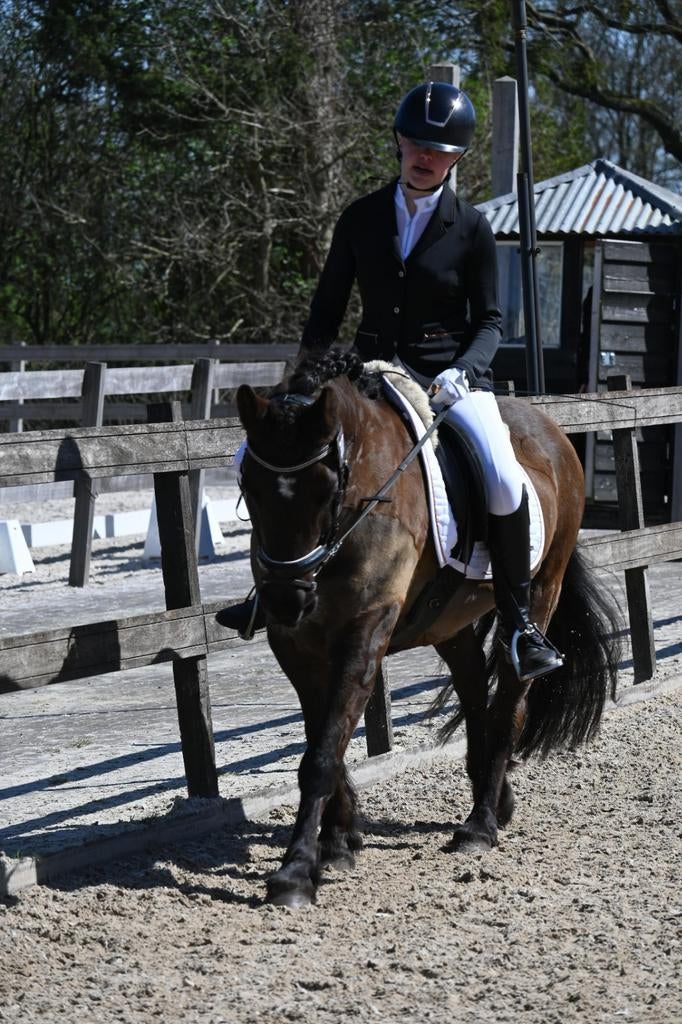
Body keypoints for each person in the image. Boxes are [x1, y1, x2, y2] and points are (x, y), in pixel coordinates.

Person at [227, 81, 562, 682]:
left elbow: (489, 320)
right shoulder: (360, 218)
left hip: (447, 380)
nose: (423, 157)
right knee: (255, 456)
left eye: (436, 150)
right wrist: (301, 384)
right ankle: (270, 588)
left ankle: (516, 622)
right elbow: (326, 315)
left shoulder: (473, 229)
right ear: (398, 144)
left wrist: (466, 369)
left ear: (454, 158)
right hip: (369, 373)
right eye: (414, 145)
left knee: (505, 477)